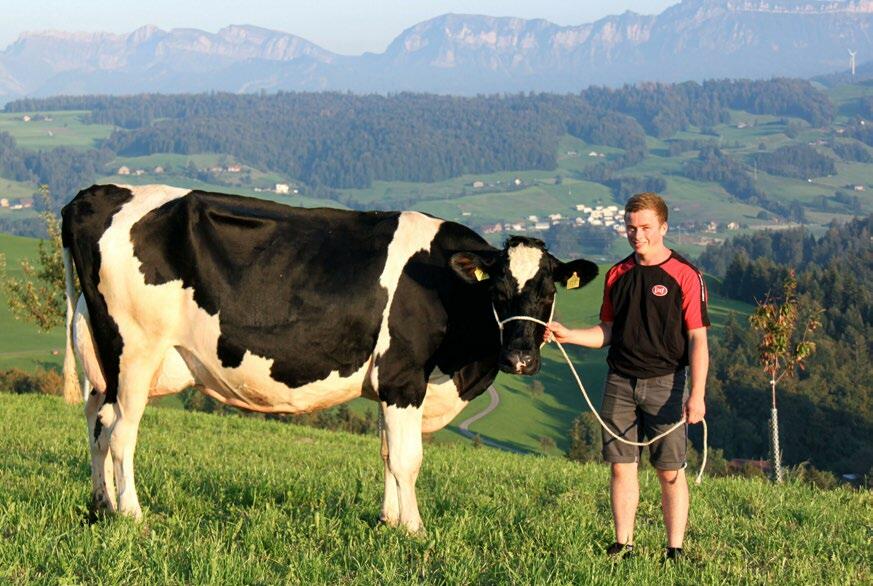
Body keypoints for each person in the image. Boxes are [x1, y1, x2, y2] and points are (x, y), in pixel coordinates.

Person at [546, 192, 709, 561]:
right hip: (619, 382)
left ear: (663, 227)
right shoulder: (617, 274)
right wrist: (568, 334)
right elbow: (607, 332)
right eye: (631, 227)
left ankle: (675, 549)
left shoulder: (686, 275)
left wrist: (696, 394)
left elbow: (698, 338)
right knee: (621, 468)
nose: (637, 235)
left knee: (669, 471)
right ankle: (624, 545)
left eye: (646, 228)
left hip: (667, 383)